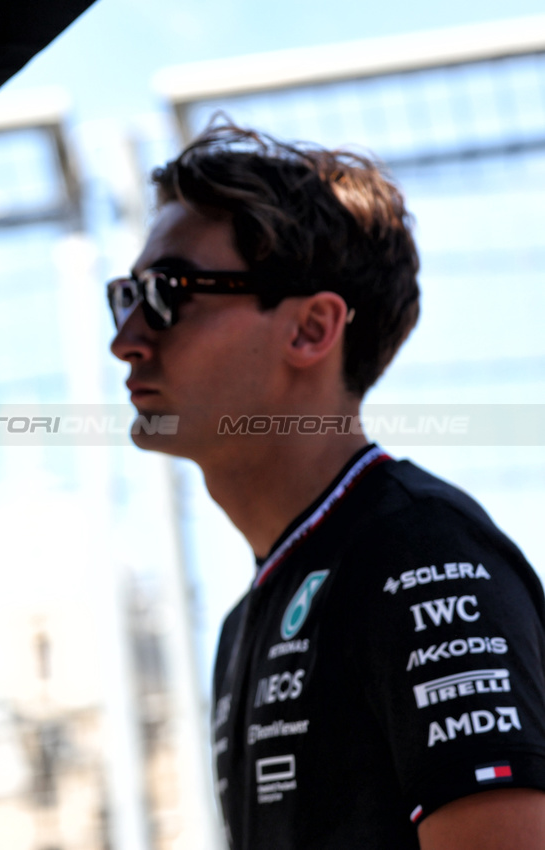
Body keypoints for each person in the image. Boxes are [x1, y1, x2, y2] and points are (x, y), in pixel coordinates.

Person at [108, 123, 545, 849]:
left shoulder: (417, 552)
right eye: (123, 294)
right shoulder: (247, 618)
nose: (125, 336)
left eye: (165, 292)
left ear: (311, 329)